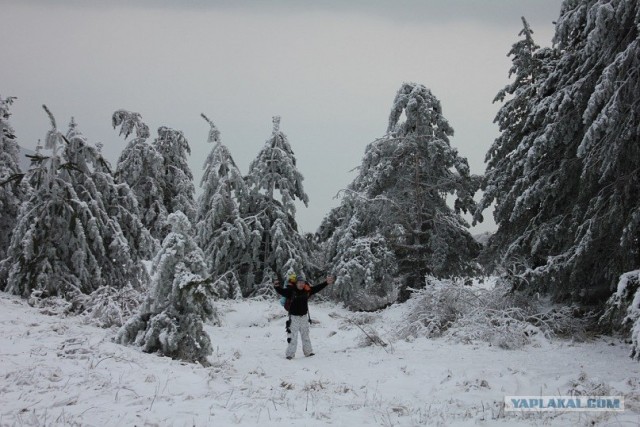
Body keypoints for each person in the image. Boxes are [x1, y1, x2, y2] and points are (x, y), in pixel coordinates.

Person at [274, 273, 335, 359]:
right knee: (293, 337)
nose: (301, 284)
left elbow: (317, 288)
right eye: (299, 282)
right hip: (294, 318)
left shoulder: (307, 291)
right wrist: (276, 286)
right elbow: (281, 291)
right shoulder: (291, 291)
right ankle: (290, 354)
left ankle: (308, 352)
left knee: (305, 335)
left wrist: (326, 282)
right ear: (296, 283)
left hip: (304, 317)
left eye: (303, 282)